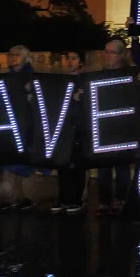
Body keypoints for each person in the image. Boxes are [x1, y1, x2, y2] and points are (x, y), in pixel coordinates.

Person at [96, 36, 140, 215]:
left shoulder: (132, 74)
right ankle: (104, 201)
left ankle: (119, 199)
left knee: (122, 167)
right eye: (106, 51)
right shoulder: (99, 75)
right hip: (104, 128)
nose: (106, 56)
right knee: (103, 167)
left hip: (123, 129)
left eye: (111, 52)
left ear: (121, 55)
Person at [0, 45, 37, 211]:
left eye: (17, 55)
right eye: (11, 55)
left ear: (25, 57)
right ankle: (12, 197)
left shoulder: (32, 77)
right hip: (9, 124)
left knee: (26, 163)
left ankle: (28, 197)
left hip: (26, 124)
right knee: (9, 161)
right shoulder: (6, 77)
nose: (13, 57)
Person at [51, 48, 87, 216]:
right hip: (63, 128)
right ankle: (64, 198)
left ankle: (77, 199)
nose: (70, 61)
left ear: (80, 62)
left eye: (74, 58)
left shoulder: (85, 81)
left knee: (77, 165)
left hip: (78, 129)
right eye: (68, 58)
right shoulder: (61, 81)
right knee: (62, 164)